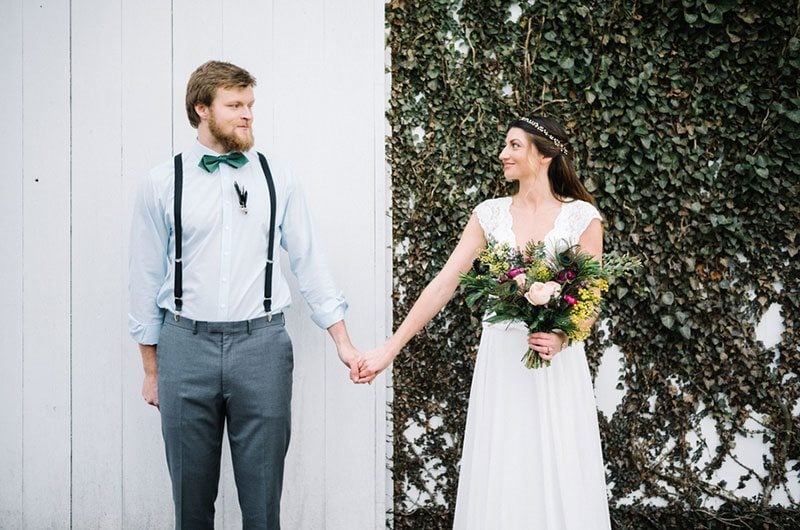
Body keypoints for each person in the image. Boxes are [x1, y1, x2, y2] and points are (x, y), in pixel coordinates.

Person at [128, 60, 363, 529]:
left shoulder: (279, 178)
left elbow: (309, 261)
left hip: (262, 349)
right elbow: (143, 279)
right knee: (190, 504)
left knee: (262, 502)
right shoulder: (161, 182)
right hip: (184, 348)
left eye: (250, 105)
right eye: (235, 105)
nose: (247, 115)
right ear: (201, 109)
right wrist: (152, 370)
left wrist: (343, 342)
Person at [358, 116, 612, 528]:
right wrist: (390, 349)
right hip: (502, 360)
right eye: (505, 145)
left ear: (544, 155)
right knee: (505, 466)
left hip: (556, 365)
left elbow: (591, 296)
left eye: (514, 146)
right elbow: (444, 284)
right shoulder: (490, 215)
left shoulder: (582, 218)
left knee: (557, 463)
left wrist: (563, 335)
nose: (503, 154)